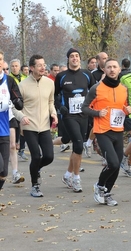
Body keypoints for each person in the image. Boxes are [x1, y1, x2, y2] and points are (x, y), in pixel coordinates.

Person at [82, 58, 131, 206]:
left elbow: (124, 107)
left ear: (119, 70)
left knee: (116, 166)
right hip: (102, 130)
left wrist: (127, 110)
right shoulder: (96, 88)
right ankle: (99, 186)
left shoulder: (123, 89)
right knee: (113, 162)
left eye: (114, 67)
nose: (111, 69)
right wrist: (97, 113)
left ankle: (106, 192)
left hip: (118, 130)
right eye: (108, 67)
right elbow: (84, 108)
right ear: (104, 70)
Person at [13, 54, 58, 197]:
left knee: (49, 156)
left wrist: (54, 114)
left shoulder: (49, 83)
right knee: (36, 156)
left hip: (44, 126)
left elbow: (51, 102)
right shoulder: (22, 85)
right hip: (28, 126)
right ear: (32, 68)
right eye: (39, 65)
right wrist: (22, 117)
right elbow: (14, 107)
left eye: (44, 64)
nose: (43, 67)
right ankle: (35, 186)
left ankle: (35, 169)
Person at [54, 48, 96, 193]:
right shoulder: (61, 76)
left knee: (77, 146)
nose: (75, 58)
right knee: (78, 145)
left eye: (77, 56)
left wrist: (93, 109)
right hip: (69, 115)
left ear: (80, 59)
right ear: (68, 59)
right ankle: (76, 178)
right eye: (72, 56)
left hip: (83, 115)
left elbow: (94, 92)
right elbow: (54, 96)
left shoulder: (87, 74)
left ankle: (67, 175)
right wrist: (60, 106)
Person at [0, 51, 24, 190]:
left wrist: (18, 101)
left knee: (3, 172)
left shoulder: (9, 81)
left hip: (3, 129)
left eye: (1, 59)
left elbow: (17, 98)